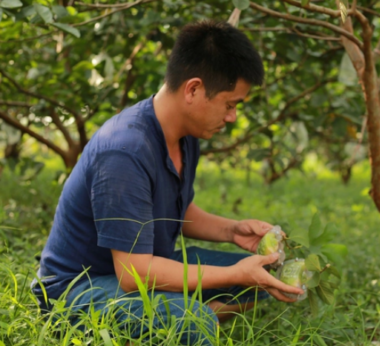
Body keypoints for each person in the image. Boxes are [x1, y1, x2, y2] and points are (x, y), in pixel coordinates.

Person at [32, 21, 303, 345]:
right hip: (76, 290)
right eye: (230, 104)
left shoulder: (185, 137)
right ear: (193, 89)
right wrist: (235, 273)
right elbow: (133, 274)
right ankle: (186, 319)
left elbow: (176, 208)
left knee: (260, 279)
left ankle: (177, 319)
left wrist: (232, 231)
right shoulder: (125, 150)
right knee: (195, 319)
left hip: (145, 267)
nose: (232, 117)